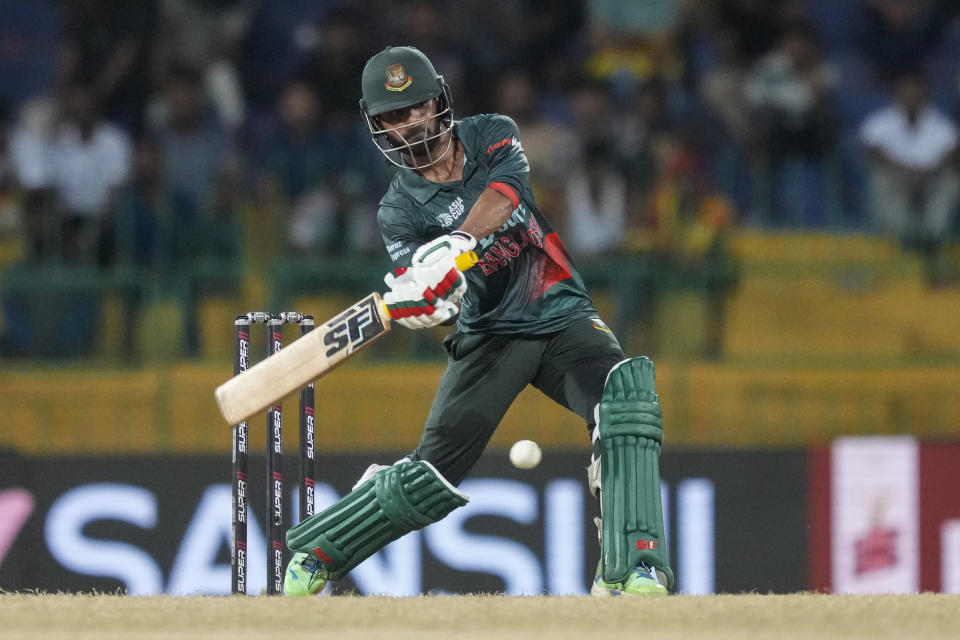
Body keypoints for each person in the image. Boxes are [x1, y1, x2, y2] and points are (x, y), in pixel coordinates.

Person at [282, 46, 674, 597]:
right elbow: (428, 294)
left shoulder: (491, 132)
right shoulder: (398, 210)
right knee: (431, 477)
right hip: (489, 335)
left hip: (561, 312)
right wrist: (429, 301)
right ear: (379, 127)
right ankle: (320, 550)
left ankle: (635, 568)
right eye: (395, 115)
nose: (411, 120)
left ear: (439, 101)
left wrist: (459, 244)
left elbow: (507, 190)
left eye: (418, 105)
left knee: (625, 397)